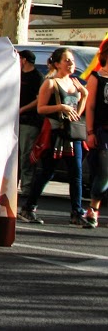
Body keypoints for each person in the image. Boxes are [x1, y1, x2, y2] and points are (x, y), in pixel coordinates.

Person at [20, 47, 88, 226]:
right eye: (67, 60)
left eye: (72, 60)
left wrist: (84, 96)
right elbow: (41, 108)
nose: (71, 63)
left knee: (76, 174)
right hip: (55, 133)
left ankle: (77, 212)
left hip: (72, 134)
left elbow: (77, 114)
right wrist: (60, 107)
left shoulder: (75, 84)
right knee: (47, 172)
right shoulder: (50, 83)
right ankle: (28, 208)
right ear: (57, 64)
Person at [83, 39, 108, 230]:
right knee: (104, 173)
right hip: (103, 131)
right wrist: (90, 132)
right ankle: (93, 209)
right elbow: (90, 107)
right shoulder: (96, 77)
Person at [17, 49, 43, 197]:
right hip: (15, 121)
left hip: (30, 122)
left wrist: (23, 109)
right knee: (15, 157)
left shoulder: (37, 76)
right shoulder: (17, 75)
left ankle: (27, 189)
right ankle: (12, 187)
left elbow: (40, 99)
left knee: (26, 156)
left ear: (24, 60)